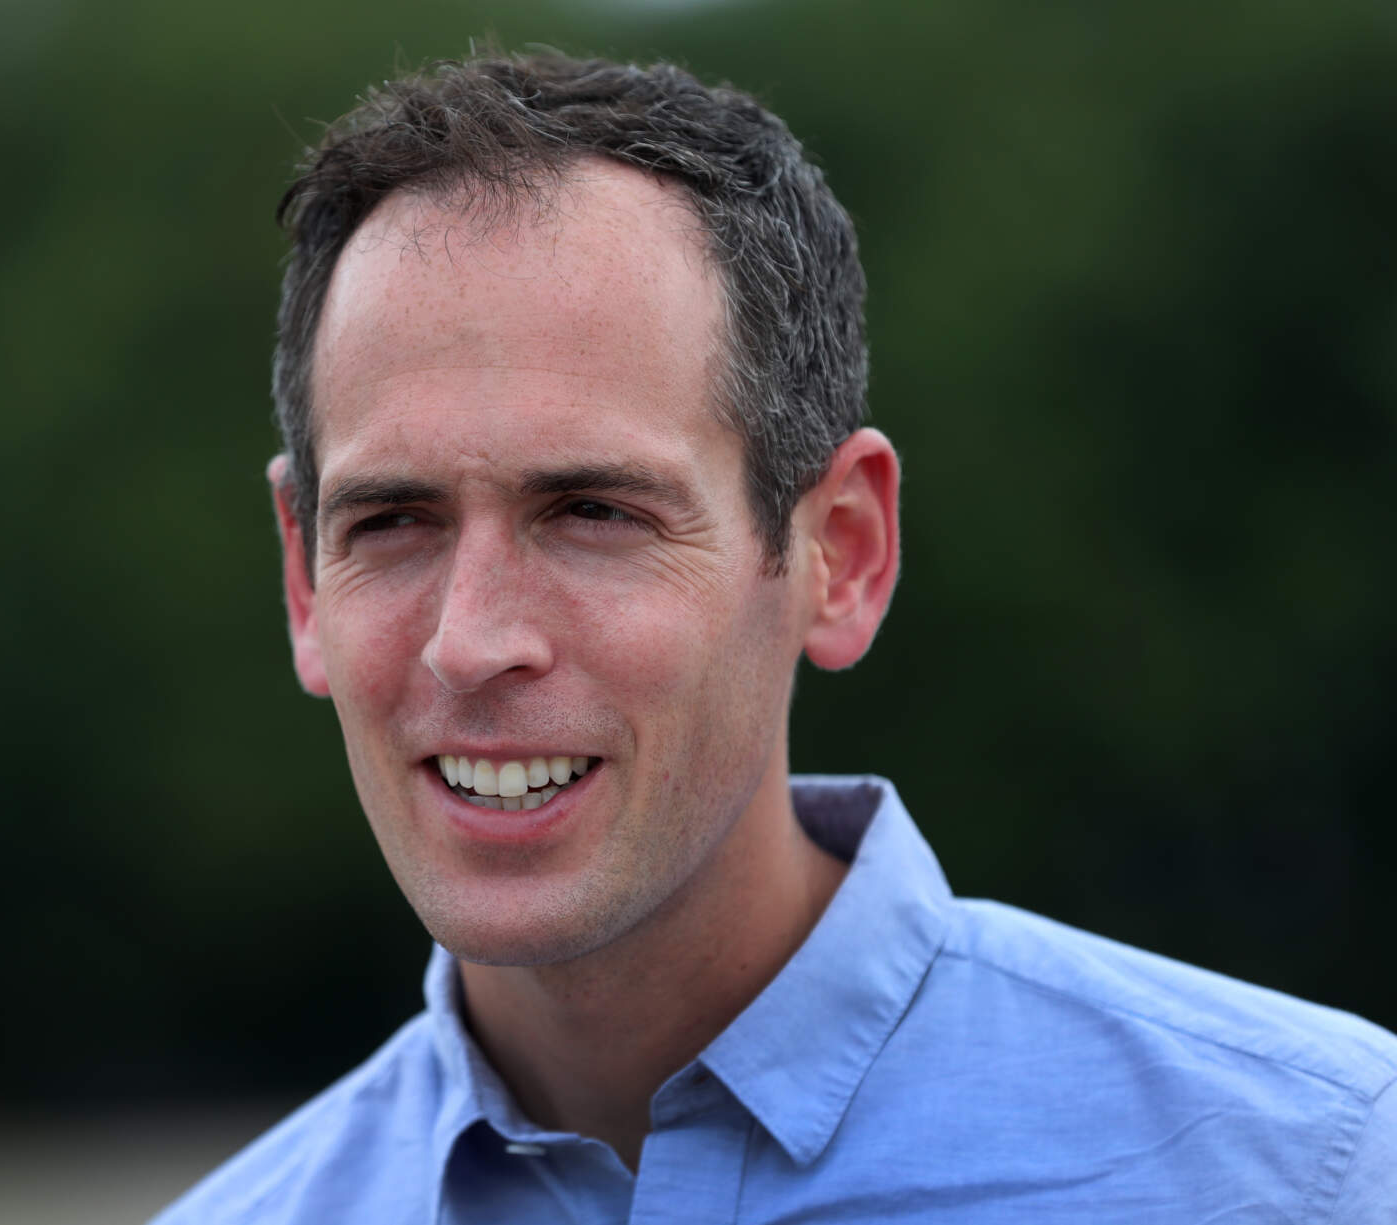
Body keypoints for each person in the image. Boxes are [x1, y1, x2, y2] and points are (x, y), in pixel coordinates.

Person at [154, 48, 1396, 1223]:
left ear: (839, 553)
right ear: (303, 580)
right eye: (393, 521)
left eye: (592, 511)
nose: (471, 643)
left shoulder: (1310, 1171)